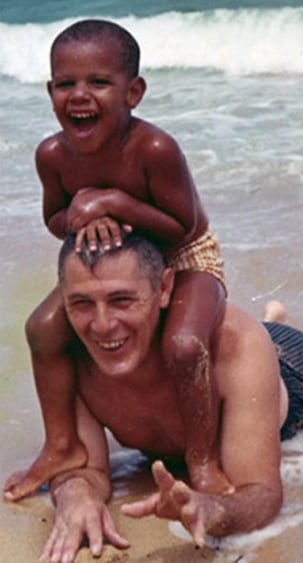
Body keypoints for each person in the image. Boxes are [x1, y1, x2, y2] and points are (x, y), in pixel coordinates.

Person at [9, 231, 303, 563]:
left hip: (291, 374)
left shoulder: (233, 347)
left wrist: (213, 510)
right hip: (233, 365)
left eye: (122, 300)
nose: (102, 325)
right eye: (81, 303)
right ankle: (272, 320)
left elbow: (261, 493)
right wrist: (75, 495)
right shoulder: (70, 354)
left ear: (165, 287)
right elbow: (81, 463)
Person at [4, 19, 229, 501]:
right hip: (113, 266)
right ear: (49, 91)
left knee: (185, 345)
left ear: (134, 92)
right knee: (42, 329)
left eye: (99, 83)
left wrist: (111, 202)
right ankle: (62, 444)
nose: (80, 95)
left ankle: (202, 459)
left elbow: (183, 226)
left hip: (186, 257)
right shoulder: (52, 155)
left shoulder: (153, 148)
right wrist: (82, 213)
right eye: (66, 84)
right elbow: (54, 218)